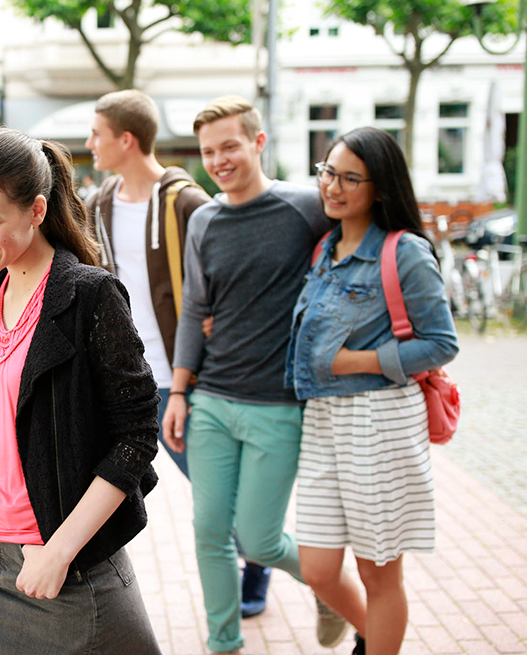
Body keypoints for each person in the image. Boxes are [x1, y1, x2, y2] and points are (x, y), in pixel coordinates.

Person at [0, 127, 162, 654]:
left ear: (37, 210)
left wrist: (59, 552)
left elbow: (136, 437)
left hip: (63, 563)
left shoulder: (89, 295)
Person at [162, 96, 347, 654]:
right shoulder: (204, 221)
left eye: (229, 146)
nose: (218, 160)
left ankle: (331, 588)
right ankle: (224, 642)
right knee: (210, 530)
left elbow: (357, 248)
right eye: (208, 151)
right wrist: (178, 389)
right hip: (213, 400)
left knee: (260, 539)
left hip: (278, 405)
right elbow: (195, 308)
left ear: (258, 143)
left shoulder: (305, 207)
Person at [83, 89, 274, 618]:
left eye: (96, 133)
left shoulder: (187, 201)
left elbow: (229, 272)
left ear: (126, 139)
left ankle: (257, 561)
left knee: (210, 485)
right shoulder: (97, 202)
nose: (89, 143)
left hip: (186, 373)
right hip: (125, 373)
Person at [287, 127, 458, 655]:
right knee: (316, 568)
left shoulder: (403, 251)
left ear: (379, 188)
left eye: (349, 178)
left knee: (378, 573)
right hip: (322, 419)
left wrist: (358, 361)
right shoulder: (326, 246)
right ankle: (377, 635)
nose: (332, 187)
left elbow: (441, 342)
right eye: (328, 172)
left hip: (378, 419)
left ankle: (380, 643)